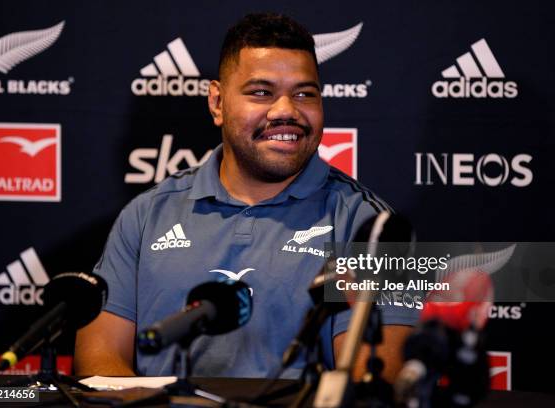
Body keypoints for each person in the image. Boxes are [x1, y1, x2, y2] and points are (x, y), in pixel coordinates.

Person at [75, 12, 416, 381]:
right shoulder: (145, 215)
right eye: (261, 92)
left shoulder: (370, 226)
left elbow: (376, 381)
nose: (286, 111)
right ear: (217, 103)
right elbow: (99, 359)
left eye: (304, 94)